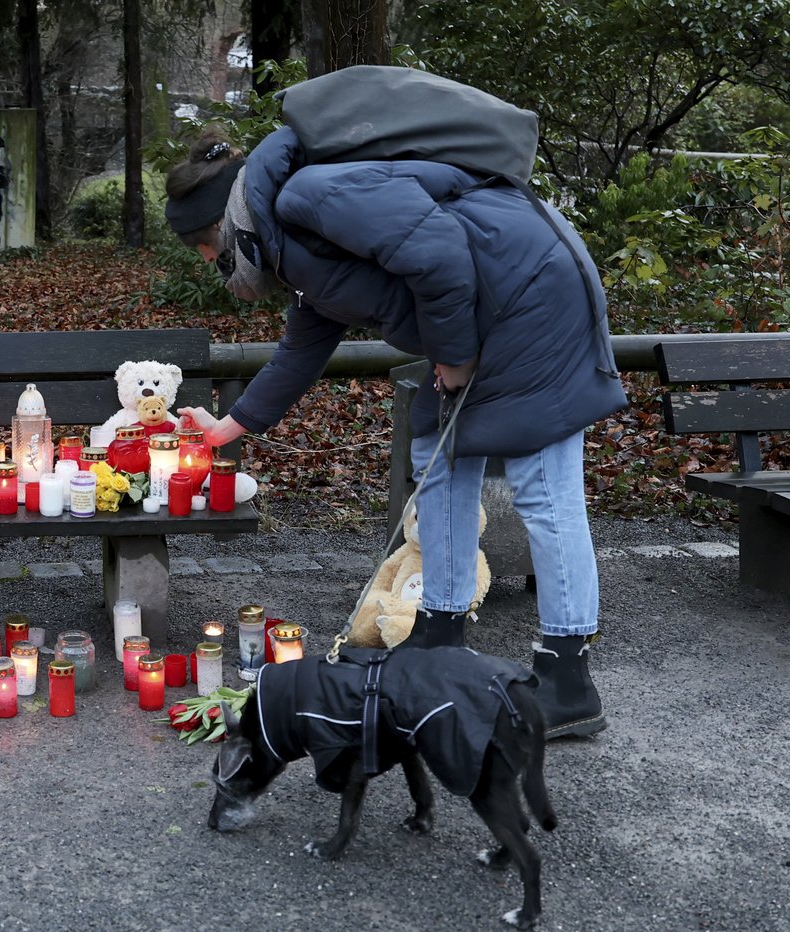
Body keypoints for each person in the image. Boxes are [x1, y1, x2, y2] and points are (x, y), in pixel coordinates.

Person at [166, 125, 628, 739]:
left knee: (543, 487)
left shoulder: (313, 197)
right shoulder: (291, 238)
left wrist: (455, 355)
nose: (212, 268)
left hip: (533, 295)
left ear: (223, 228)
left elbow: (437, 251)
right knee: (437, 465)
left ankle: (568, 680)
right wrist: (227, 428)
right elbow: (304, 344)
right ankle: (438, 639)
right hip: (479, 310)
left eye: (205, 252)